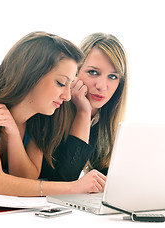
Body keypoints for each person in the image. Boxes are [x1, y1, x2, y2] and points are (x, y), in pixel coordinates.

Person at [0, 31, 107, 196]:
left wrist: (14, 135)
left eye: (70, 85)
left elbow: (25, 179)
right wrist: (72, 188)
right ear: (31, 75)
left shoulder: (42, 117)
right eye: (61, 83)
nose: (68, 96)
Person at [40, 33, 128, 181]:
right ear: (75, 71)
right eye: (93, 72)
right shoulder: (52, 108)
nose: (101, 86)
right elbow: (64, 179)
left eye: (113, 76)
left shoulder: (105, 121)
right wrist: (83, 112)